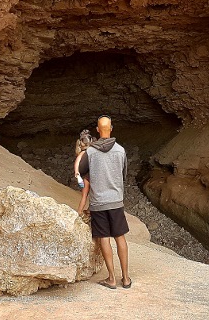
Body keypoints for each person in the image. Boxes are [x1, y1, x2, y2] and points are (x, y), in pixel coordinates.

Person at [77, 115, 132, 289]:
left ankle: (111, 279)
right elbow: (123, 175)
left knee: (104, 239)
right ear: (111, 129)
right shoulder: (121, 151)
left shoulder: (91, 152)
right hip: (116, 201)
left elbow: (82, 171)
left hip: (99, 202)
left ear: (98, 130)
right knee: (120, 237)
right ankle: (126, 278)